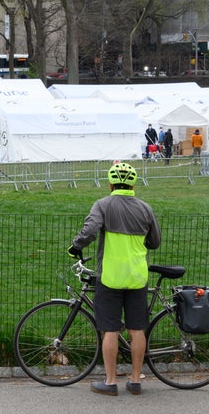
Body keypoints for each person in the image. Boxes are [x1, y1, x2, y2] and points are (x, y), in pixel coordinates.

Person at [68, 163, 161, 396]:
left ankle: (110, 382)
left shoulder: (103, 205)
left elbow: (90, 231)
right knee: (137, 330)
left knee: (110, 330)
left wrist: (75, 246)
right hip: (137, 277)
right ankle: (135, 380)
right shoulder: (145, 208)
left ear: (110, 184)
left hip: (110, 276)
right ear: (133, 183)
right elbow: (155, 242)